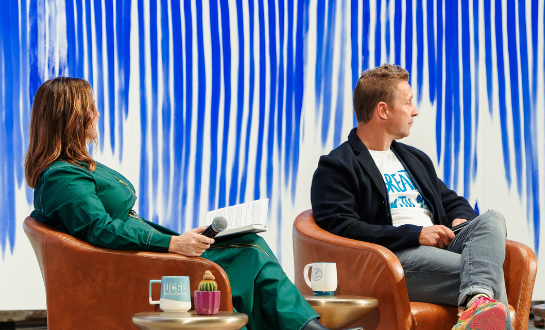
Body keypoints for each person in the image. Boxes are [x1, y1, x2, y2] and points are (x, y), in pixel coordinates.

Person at [23, 77, 338, 330]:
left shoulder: (71, 169)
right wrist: (173, 244)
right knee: (250, 255)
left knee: (247, 242)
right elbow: (100, 230)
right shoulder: (63, 177)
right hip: (138, 267)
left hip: (143, 256)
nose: (98, 114)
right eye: (92, 108)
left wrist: (181, 240)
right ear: (74, 118)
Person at [310, 64, 512, 330]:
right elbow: (342, 228)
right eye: (407, 103)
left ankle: (477, 300)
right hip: (393, 259)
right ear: (383, 110)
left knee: (492, 220)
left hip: (440, 247)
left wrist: (459, 218)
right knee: (488, 274)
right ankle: (479, 298)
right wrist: (414, 234)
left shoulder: (414, 159)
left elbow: (451, 200)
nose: (414, 110)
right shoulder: (337, 166)